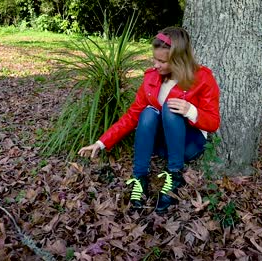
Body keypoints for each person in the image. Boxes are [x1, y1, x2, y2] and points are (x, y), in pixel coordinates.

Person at [78, 27, 220, 213]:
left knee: (171, 108)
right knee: (147, 112)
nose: (156, 65)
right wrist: (101, 143)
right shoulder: (152, 77)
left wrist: (191, 111)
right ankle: (140, 178)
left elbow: (213, 122)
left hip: (189, 143)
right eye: (155, 59)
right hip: (163, 143)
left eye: (162, 61)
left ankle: (174, 175)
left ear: (178, 59)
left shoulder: (202, 78)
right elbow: (132, 116)